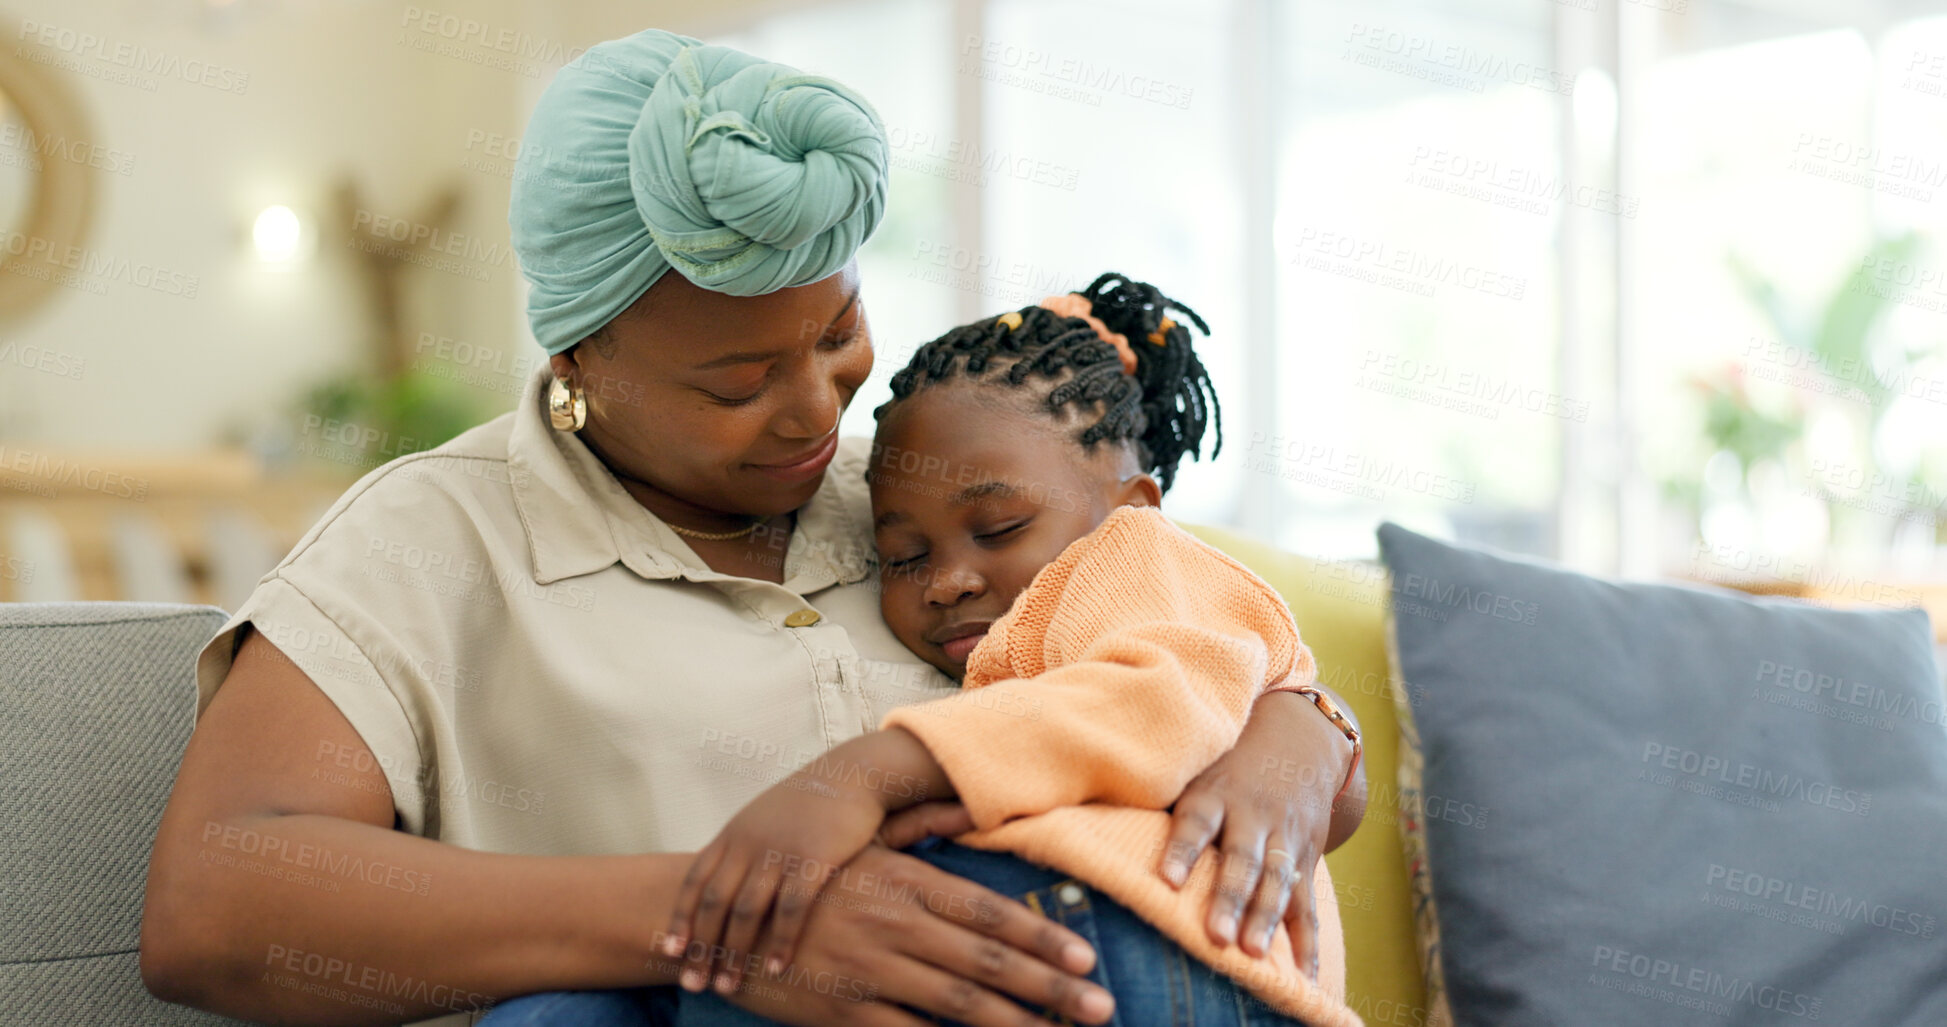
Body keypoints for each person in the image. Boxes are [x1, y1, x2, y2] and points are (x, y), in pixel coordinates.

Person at [139, 27, 1366, 1027]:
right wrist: (721, 919)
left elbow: (1190, 637)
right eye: (735, 384)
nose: (814, 411)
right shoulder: (434, 535)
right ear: (578, 356)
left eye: (837, 334)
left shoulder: (931, 491)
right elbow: (220, 901)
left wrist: (1306, 737)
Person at [482, 276, 1365, 1027]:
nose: (945, 580)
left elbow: (1151, 704)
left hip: (1141, 942)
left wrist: (866, 772)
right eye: (904, 556)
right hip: (1085, 938)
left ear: (1133, 503)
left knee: (688, 979)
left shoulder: (1144, 558)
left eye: (999, 527)